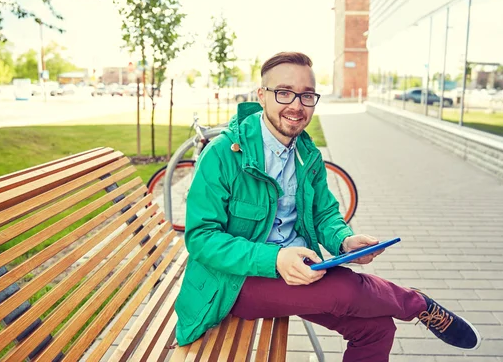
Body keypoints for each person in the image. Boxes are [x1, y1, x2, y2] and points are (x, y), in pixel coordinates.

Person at [174, 52, 481, 361]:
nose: (296, 105)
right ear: (262, 96)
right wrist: (275, 258)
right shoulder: (222, 154)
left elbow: (324, 214)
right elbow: (201, 238)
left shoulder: (308, 154)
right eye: (284, 93)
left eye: (306, 96)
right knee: (347, 291)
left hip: (301, 271)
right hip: (235, 282)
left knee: (378, 328)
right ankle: (417, 304)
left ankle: (413, 305)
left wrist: (344, 241)